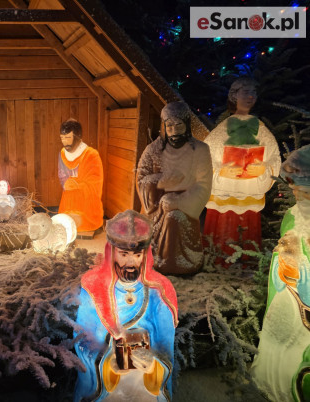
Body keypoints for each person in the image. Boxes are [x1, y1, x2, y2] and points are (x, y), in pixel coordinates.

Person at [74, 210, 178, 402]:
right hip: (107, 381)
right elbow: (82, 338)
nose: (131, 262)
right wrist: (107, 362)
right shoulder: (93, 287)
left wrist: (153, 364)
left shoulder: (159, 291)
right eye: (124, 254)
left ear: (145, 255)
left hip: (145, 382)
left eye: (137, 255)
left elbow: (166, 343)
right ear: (112, 253)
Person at [251, 145, 310, 402]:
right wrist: (282, 261)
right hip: (285, 297)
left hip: (305, 303)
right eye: (295, 190)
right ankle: (271, 382)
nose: (298, 196)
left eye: (304, 192)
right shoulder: (292, 215)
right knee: (277, 340)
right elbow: (281, 251)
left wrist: (301, 270)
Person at [203, 78, 280, 259]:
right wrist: (220, 172)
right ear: (234, 96)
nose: (250, 96)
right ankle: (218, 259)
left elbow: (275, 158)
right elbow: (204, 158)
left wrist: (263, 170)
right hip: (224, 195)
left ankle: (246, 260)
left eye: (253, 93)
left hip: (248, 194)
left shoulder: (261, 129)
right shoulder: (221, 130)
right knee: (222, 238)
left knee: (246, 235)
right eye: (246, 92)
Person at [136, 102, 212, 275]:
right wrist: (161, 181)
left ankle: (184, 262)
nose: (174, 131)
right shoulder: (153, 150)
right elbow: (141, 178)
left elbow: (203, 185)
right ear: (163, 126)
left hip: (187, 205)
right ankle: (157, 258)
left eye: (179, 125)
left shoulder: (200, 150)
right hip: (157, 208)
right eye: (169, 126)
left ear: (187, 124)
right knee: (166, 218)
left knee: (174, 218)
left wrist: (178, 202)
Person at [58, 118, 104, 233]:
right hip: (68, 202)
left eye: (68, 138)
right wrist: (66, 182)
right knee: (65, 222)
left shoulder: (91, 155)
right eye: (62, 138)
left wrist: (77, 184)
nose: (64, 142)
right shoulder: (63, 153)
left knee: (81, 222)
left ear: (77, 137)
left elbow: (95, 182)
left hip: (86, 204)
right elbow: (62, 175)